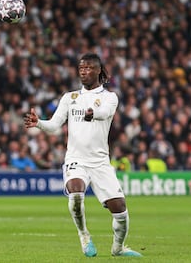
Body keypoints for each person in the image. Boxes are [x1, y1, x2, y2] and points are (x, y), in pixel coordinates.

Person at [24, 53, 142, 257]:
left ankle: (118, 248)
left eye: (88, 68)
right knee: (76, 194)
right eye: (81, 69)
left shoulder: (109, 97)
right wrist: (40, 123)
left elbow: (105, 112)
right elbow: (54, 125)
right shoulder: (70, 98)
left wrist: (92, 114)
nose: (84, 72)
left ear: (98, 70)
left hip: (100, 163)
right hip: (76, 160)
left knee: (121, 211)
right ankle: (84, 235)